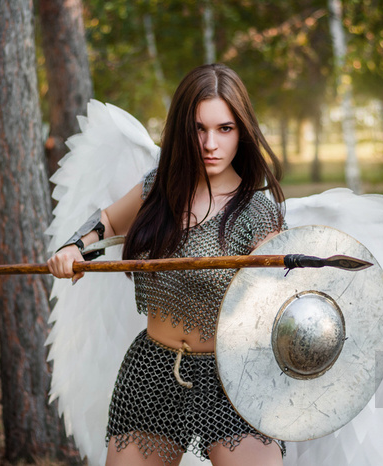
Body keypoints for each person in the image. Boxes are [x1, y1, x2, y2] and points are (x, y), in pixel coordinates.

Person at [47, 64, 287, 466]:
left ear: (242, 131)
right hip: (153, 370)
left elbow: (265, 309)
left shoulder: (258, 213)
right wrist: (74, 247)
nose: (211, 143)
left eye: (225, 129)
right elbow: (105, 221)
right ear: (182, 130)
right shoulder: (160, 188)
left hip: (233, 376)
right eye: (199, 129)